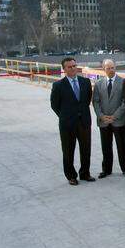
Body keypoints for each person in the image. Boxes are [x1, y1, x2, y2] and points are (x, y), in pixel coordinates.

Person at [50, 57, 93, 185]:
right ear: (64, 69)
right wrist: (65, 116)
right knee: (68, 151)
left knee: (86, 150)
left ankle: (85, 173)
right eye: (69, 67)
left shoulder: (85, 82)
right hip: (67, 124)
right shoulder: (58, 85)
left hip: (84, 122)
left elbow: (87, 100)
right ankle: (71, 176)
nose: (73, 68)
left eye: (74, 66)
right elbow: (54, 105)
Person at [91, 58, 125, 178]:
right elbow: (95, 102)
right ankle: (106, 170)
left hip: (118, 121)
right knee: (106, 147)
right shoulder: (98, 84)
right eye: (108, 68)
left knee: (122, 147)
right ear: (104, 69)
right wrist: (101, 116)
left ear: (115, 68)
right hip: (104, 121)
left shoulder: (123, 82)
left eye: (112, 67)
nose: (111, 70)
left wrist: (114, 116)